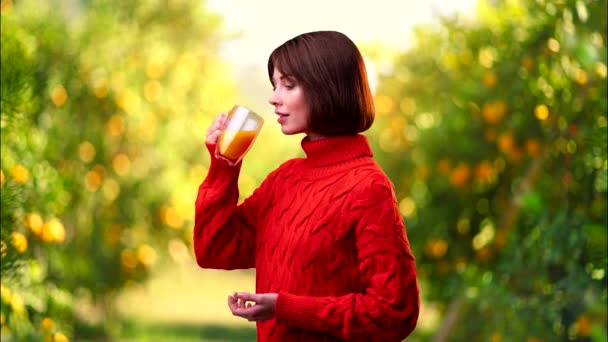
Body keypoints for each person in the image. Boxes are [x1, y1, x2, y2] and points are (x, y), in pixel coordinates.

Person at [194, 30, 419, 341]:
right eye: (275, 85)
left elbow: (394, 311)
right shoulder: (284, 179)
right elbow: (215, 249)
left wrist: (285, 308)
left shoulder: (369, 187)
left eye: (289, 85)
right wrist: (224, 164)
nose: (273, 98)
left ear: (326, 87)